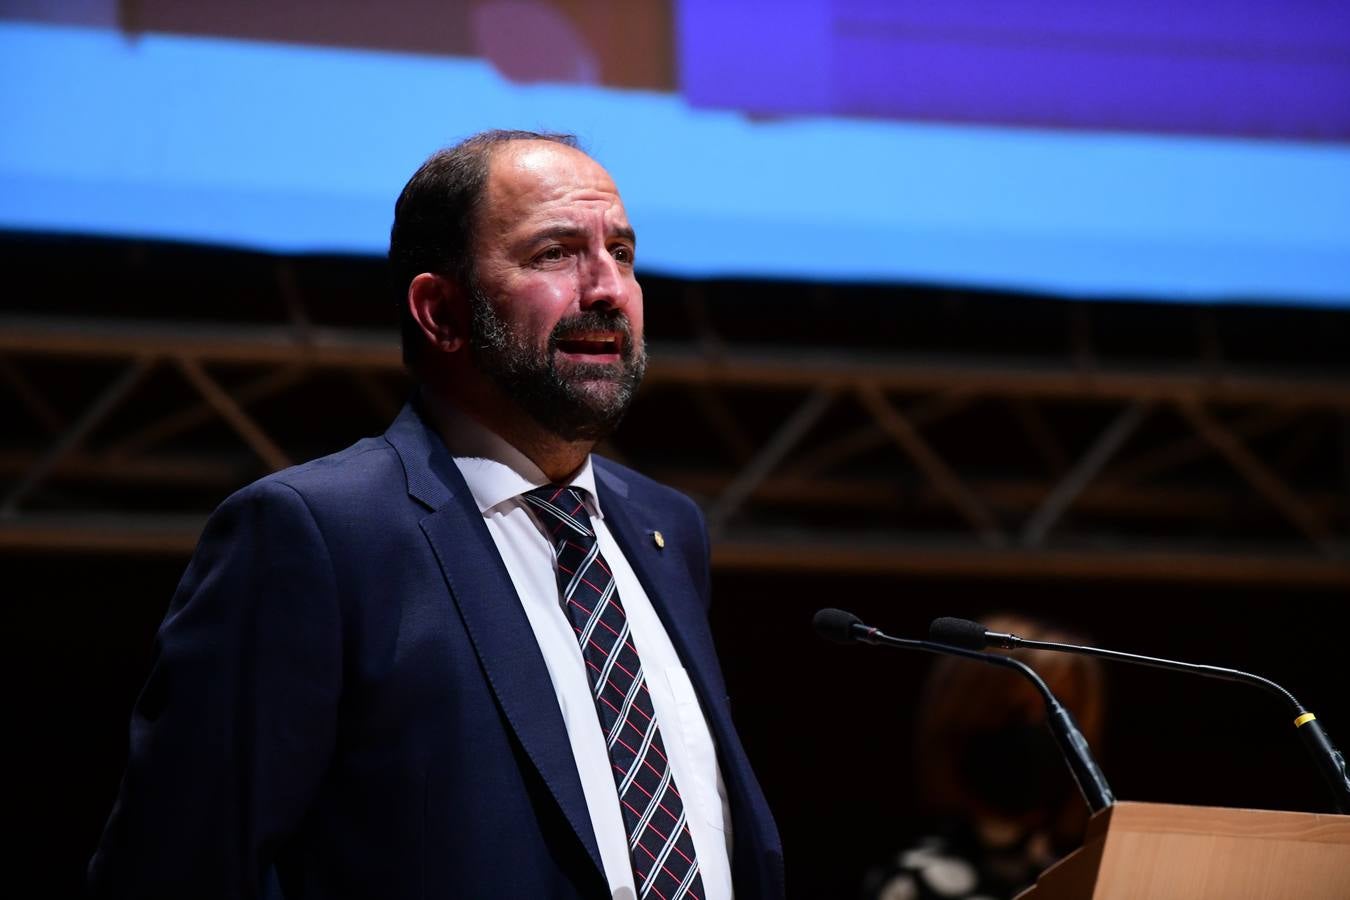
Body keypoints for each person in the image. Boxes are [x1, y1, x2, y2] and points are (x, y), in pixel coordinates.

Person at [89, 130, 784, 899]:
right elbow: (174, 868)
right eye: (555, 253)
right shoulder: (320, 534)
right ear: (440, 310)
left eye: (621, 253)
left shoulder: (667, 530)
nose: (607, 289)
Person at [862, 614, 1106, 900]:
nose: (1033, 737)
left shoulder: (1093, 882)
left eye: (1052, 719)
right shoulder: (912, 886)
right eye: (1016, 714)